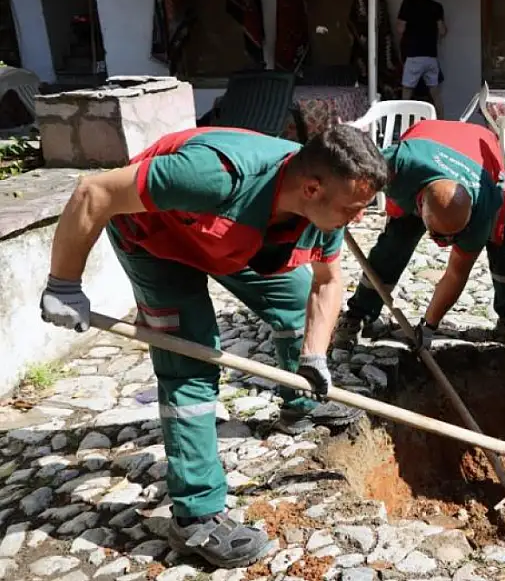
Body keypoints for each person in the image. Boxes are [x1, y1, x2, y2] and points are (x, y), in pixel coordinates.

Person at [39, 124, 387, 568]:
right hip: (157, 240)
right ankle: (197, 516)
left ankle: (299, 403)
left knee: (297, 301)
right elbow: (94, 191)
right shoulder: (213, 175)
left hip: (235, 238)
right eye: (352, 209)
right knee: (190, 362)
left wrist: (315, 355)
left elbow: (327, 282)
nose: (358, 218)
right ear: (312, 187)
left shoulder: (326, 206)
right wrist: (63, 282)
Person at [336, 119, 505, 352]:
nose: (444, 244)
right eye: (438, 236)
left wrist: (428, 327)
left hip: (479, 147)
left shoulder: (484, 207)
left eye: (453, 237)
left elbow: (456, 273)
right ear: (420, 207)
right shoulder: (398, 165)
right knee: (393, 246)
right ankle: (358, 314)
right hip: (426, 138)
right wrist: (351, 207)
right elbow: (358, 174)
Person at [398, 0, 446, 118]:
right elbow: (442, 30)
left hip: (413, 55)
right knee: (436, 94)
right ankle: (442, 124)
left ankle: (404, 125)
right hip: (431, 56)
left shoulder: (407, 4)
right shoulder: (436, 7)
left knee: (406, 92)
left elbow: (400, 28)